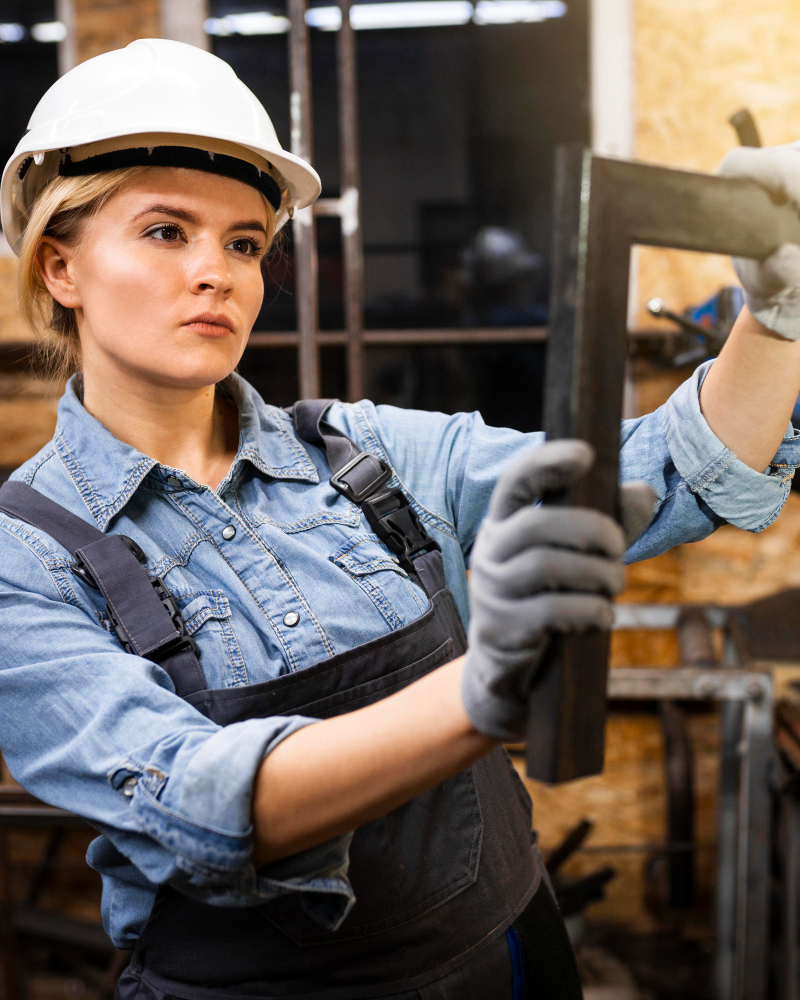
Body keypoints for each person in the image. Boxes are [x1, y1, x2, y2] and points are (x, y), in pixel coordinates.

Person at [0, 37, 800, 1000]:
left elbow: (668, 472)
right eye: (167, 231)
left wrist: (780, 316)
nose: (218, 272)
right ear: (60, 267)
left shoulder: (368, 458)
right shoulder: (27, 555)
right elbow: (198, 795)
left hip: (508, 960)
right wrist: (480, 689)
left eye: (246, 242)